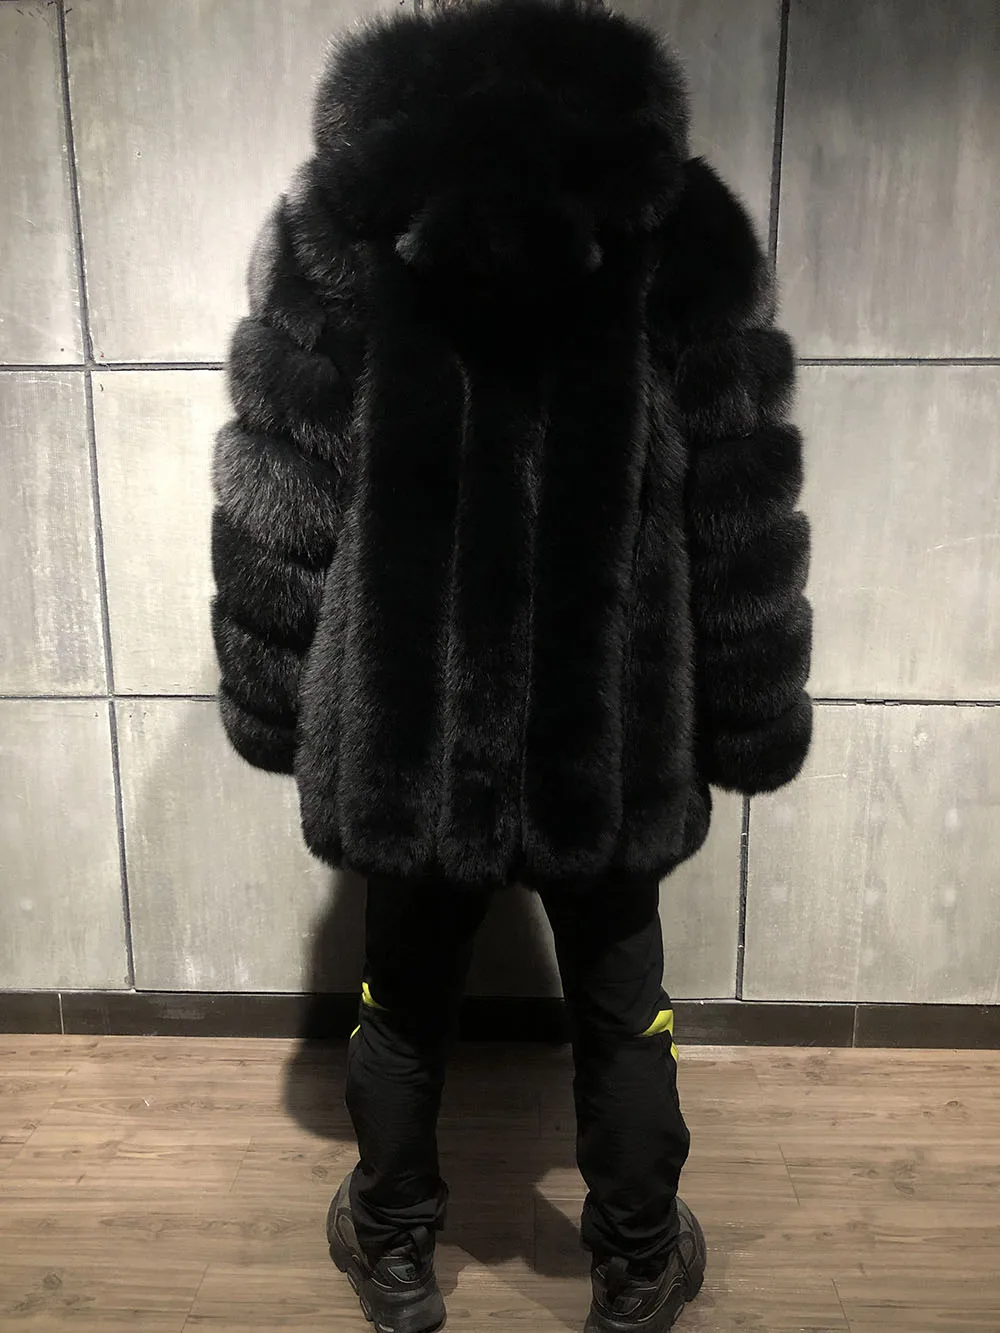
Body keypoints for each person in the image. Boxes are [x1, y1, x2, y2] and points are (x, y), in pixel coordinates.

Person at [209, 1, 812, 1329]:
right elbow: (740, 501)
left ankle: (395, 1250)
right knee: (621, 1003)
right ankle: (638, 1263)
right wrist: (749, 714)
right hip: (612, 713)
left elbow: (278, 485)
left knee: (403, 999)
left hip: (409, 714)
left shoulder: (341, 220)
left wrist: (271, 699)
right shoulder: (682, 224)